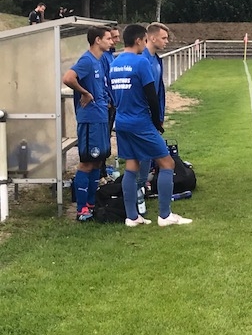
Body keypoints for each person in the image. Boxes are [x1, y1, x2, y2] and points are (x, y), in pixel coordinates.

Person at [109, 24, 192, 226]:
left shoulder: (115, 63)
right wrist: (156, 122)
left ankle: (132, 217)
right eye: (144, 40)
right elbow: (151, 96)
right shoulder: (141, 62)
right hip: (140, 122)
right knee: (167, 163)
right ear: (139, 40)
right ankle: (165, 215)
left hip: (122, 121)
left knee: (131, 166)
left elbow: (113, 95)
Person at [62, 25, 113, 221]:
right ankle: (81, 209)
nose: (111, 42)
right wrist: (84, 93)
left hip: (100, 117)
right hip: (89, 119)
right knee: (87, 162)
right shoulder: (87, 60)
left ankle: (91, 203)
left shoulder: (99, 61)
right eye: (108, 38)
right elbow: (68, 78)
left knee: (98, 160)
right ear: (97, 40)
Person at [137, 22, 169, 193]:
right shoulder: (141, 59)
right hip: (141, 115)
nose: (166, 41)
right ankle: (139, 187)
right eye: (164, 38)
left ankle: (142, 185)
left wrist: (160, 115)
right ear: (152, 38)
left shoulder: (157, 60)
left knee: (148, 153)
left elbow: (159, 90)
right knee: (145, 153)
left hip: (153, 115)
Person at [99, 25, 121, 179]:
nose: (116, 40)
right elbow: (102, 81)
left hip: (112, 103)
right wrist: (106, 99)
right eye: (113, 37)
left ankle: (103, 170)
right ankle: (100, 173)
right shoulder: (102, 57)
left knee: (107, 138)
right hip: (106, 105)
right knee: (102, 138)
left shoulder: (110, 55)